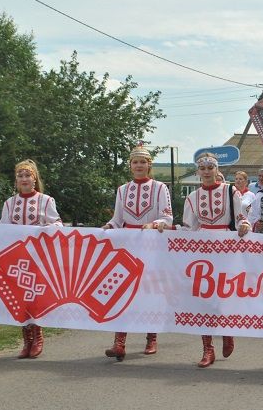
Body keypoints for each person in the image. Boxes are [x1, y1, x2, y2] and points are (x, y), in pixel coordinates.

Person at [0, 159, 62, 359]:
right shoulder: (9, 204)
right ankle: (26, 341)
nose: (24, 179)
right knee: (20, 299)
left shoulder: (46, 200)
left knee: (33, 298)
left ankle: (38, 337)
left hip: (38, 258)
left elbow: (58, 224)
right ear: (16, 180)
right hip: (17, 259)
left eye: (28, 175)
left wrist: (46, 229)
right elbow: (1, 230)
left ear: (34, 178)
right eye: (20, 176)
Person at [102, 144, 173, 361]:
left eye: (143, 162)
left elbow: (168, 219)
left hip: (152, 244)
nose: (139, 165)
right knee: (122, 290)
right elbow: (117, 219)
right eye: (135, 162)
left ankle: (151, 337)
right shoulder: (122, 190)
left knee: (149, 291)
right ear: (130, 166)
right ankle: (119, 342)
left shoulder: (160, 187)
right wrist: (108, 227)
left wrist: (155, 224)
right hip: (129, 246)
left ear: (149, 165)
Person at [183, 152, 251, 368]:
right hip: (203, 247)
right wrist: (167, 230)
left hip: (226, 246)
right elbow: (188, 227)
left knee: (223, 295)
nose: (206, 172)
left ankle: (227, 330)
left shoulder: (230, 191)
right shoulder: (192, 197)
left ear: (216, 169)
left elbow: (241, 217)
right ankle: (207, 349)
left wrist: (244, 226)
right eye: (202, 168)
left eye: (209, 168)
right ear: (198, 172)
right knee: (203, 298)